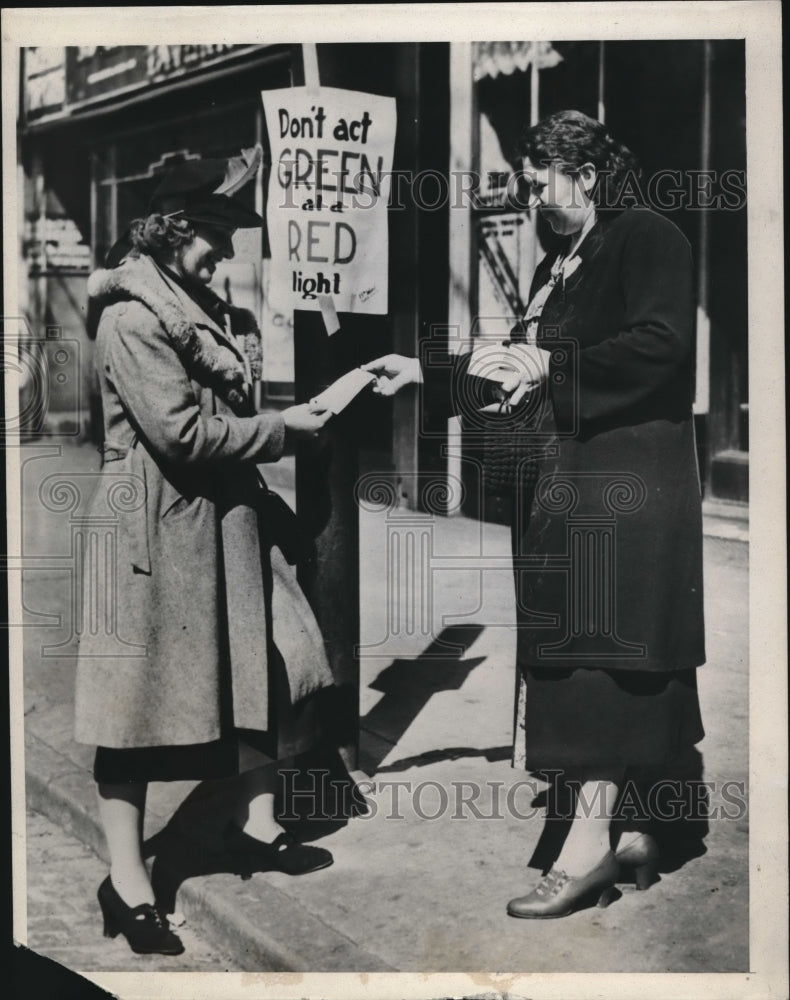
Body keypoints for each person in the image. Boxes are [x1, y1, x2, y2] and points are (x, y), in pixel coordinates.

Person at [363, 110, 706, 918]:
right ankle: (641, 833)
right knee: (597, 656)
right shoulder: (567, 257)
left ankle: (585, 852)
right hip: (576, 489)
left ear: (584, 175)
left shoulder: (645, 235)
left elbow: (660, 347)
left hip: (624, 495)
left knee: (597, 662)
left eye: (540, 184)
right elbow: (520, 365)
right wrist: (424, 371)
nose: (533, 199)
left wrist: (550, 362)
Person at [75, 147, 336, 955]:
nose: (227, 253)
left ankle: (245, 823)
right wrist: (283, 429)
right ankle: (126, 885)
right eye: (217, 235)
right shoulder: (132, 316)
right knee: (134, 713)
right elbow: (180, 437)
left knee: (265, 671)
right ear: (176, 228)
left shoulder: (195, 306)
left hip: (210, 526)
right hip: (148, 534)